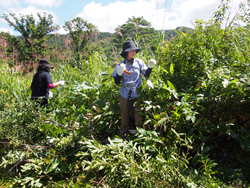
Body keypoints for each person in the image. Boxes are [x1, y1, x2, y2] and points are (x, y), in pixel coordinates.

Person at [112, 40, 157, 138]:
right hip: (124, 93)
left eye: (134, 50)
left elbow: (146, 75)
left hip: (137, 92)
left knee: (138, 115)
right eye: (131, 50)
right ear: (126, 53)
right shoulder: (120, 65)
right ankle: (123, 135)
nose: (133, 52)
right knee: (124, 115)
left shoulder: (139, 63)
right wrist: (119, 73)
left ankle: (139, 135)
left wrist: (150, 67)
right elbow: (116, 82)